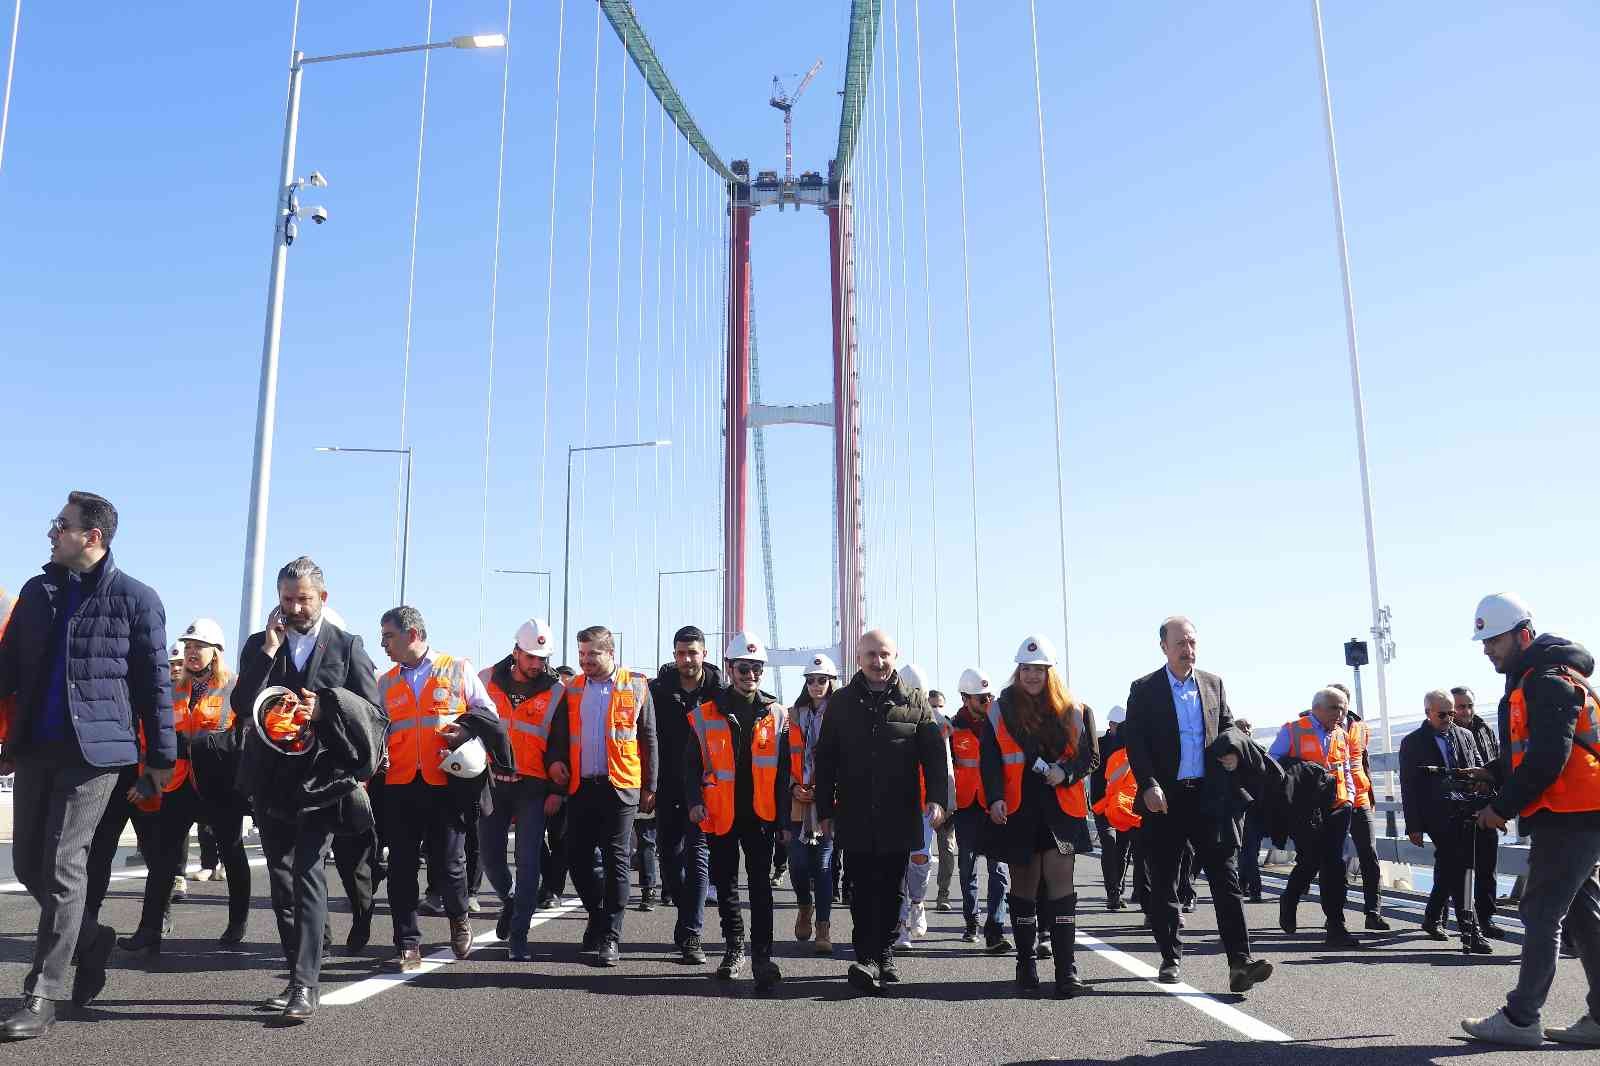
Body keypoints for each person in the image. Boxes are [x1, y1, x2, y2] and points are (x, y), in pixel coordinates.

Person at [0, 491, 175, 1042]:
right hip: (34, 747)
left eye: (62, 524)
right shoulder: (38, 591)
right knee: (28, 863)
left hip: (96, 754)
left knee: (62, 862)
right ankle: (92, 936)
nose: (52, 532)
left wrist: (161, 759)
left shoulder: (135, 599)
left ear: (92, 536)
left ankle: (43, 990)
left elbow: (154, 686)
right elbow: (6, 669)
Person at [231, 556, 386, 1020]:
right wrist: (266, 652)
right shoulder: (261, 644)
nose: (295, 607)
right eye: (287, 599)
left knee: (307, 874)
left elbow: (373, 713)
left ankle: (304, 984)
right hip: (271, 780)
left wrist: (327, 710)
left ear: (323, 597)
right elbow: (241, 704)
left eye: (303, 598)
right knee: (281, 882)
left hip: (323, 779)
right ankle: (298, 971)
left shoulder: (347, 645)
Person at [1462, 594, 1600, 1047]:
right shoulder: (1544, 676)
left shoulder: (1546, 679)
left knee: (1540, 911)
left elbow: (1547, 759)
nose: (1487, 650)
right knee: (1582, 915)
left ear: (1523, 635)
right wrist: (1496, 772)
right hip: (1577, 810)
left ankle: (1521, 1019)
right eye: (1484, 642)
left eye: (1494, 640)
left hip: (1571, 812)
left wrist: (1500, 808)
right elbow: (1540, 748)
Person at [1121, 615, 1271, 993]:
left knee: (1226, 878)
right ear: (1163, 648)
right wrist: (1149, 785)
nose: (1188, 650)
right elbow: (1135, 744)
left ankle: (1240, 962)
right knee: (1165, 882)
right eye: (1180, 644)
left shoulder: (1212, 683)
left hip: (1209, 798)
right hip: (1165, 801)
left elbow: (1228, 726)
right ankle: (1170, 955)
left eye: (1192, 643)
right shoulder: (1143, 689)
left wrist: (1235, 752)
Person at [814, 628, 950, 995]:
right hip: (855, 810)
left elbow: (934, 756)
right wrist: (824, 809)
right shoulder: (841, 703)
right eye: (871, 654)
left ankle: (884, 953)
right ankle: (866, 955)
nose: (878, 662)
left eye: (885, 654)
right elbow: (825, 759)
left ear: (895, 656)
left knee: (891, 887)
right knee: (859, 886)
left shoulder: (915, 701)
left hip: (898, 810)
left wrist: (937, 797)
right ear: (858, 658)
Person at [376, 605, 507, 972]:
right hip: (401, 783)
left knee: (450, 863)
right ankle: (407, 943)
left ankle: (458, 917)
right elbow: (375, 728)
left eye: (388, 636)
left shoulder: (457, 669)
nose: (383, 644)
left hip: (446, 782)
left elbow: (488, 714)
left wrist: (466, 730)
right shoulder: (385, 682)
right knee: (400, 867)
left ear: (413, 635)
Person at [117, 618, 252, 957]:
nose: (191, 653)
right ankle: (151, 927)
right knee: (163, 856)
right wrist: (148, 775)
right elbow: (153, 734)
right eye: (188, 647)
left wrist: (208, 745)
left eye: (198, 647)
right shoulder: (173, 688)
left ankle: (237, 921)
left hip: (220, 785)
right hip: (178, 785)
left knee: (231, 851)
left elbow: (243, 736)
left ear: (215, 652)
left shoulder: (235, 688)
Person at [980, 635, 1098, 997]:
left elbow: (1091, 756)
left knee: (1061, 884)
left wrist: (1067, 772)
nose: (1032, 676)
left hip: (1061, 809)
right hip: (1018, 808)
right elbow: (990, 760)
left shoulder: (1076, 708)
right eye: (1026, 669)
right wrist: (995, 798)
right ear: (1018, 671)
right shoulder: (1000, 709)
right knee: (1025, 886)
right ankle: (1026, 965)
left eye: (1039, 670)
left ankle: (1067, 970)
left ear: (1050, 672)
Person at [544, 624, 657, 966]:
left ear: (611, 653)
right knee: (577, 859)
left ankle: (610, 935)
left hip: (620, 786)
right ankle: (596, 912)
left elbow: (648, 739)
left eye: (593, 653)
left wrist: (651, 786)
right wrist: (555, 764)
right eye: (581, 654)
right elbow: (559, 736)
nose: (586, 661)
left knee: (615, 860)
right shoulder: (573, 688)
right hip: (581, 786)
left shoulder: (635, 685)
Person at [685, 632, 788, 992]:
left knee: (761, 888)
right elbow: (690, 765)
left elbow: (784, 772)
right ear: (730, 669)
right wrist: (694, 802)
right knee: (726, 885)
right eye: (744, 668)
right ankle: (734, 948)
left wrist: (785, 820)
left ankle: (763, 956)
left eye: (757, 668)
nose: (751, 675)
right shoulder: (703, 714)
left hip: (761, 815)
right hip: (720, 812)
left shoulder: (777, 713)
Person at [477, 618, 562, 961]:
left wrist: (559, 788)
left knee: (529, 864)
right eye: (530, 657)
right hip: (492, 783)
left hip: (533, 786)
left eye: (542, 658)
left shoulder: (557, 690)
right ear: (515, 652)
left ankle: (519, 937)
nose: (537, 664)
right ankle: (509, 900)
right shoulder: (484, 680)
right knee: (490, 858)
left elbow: (560, 742)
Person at [646, 625, 721, 964]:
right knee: (671, 860)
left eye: (693, 652)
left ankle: (692, 935)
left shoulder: (720, 691)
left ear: (704, 653)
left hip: (706, 789)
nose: (687, 659)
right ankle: (682, 913)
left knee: (698, 858)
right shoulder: (657, 690)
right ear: (674, 655)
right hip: (667, 786)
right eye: (681, 653)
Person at [1399, 689, 1490, 954]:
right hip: (1436, 814)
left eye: (1453, 712)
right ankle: (1470, 931)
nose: (1450, 718)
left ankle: (1431, 917)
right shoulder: (1413, 742)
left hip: (1466, 809)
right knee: (1459, 868)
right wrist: (1413, 825)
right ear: (1428, 712)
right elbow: (1409, 786)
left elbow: (1480, 766)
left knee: (1451, 866)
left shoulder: (1466, 736)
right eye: (1443, 714)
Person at [1270, 689, 1362, 947]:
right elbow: (1272, 765)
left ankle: (1336, 925)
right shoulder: (1293, 730)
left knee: (1334, 863)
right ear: (1317, 708)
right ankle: (1290, 898)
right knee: (1310, 861)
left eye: (1343, 709)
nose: (1340, 714)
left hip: (1338, 805)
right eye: (1335, 708)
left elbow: (1345, 767)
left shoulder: (1341, 734)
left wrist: (1351, 797)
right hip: (1306, 809)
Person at [949, 668, 1012, 950]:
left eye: (990, 696)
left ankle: (996, 928)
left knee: (998, 869)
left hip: (994, 804)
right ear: (965, 698)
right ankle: (971, 920)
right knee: (967, 867)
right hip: (966, 807)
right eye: (981, 698)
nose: (988, 702)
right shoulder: (951, 729)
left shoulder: (1000, 726)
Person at [782, 653, 838, 954]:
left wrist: (825, 790)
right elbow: (782, 760)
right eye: (811, 680)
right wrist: (793, 786)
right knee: (798, 863)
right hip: (797, 802)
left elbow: (845, 761)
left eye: (822, 680)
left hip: (827, 803)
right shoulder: (791, 715)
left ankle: (823, 928)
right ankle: (805, 905)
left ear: (831, 683)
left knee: (824, 866)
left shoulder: (842, 715)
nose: (816, 685)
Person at [1326, 682, 1389, 931]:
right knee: (1336, 860)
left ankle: (1373, 912)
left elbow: (1364, 762)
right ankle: (1335, 916)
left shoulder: (1361, 727)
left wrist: (1371, 795)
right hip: (1335, 800)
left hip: (1360, 798)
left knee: (1369, 855)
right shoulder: (1320, 727)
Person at [1452, 685, 1505, 937]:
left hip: (1488, 804)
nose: (1467, 711)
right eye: (1461, 706)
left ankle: (1486, 918)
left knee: (1487, 865)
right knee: (1461, 867)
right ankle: (1460, 919)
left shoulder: (1484, 729)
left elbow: (1500, 761)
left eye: (1469, 705)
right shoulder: (1447, 732)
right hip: (1460, 807)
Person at [892, 662, 938, 951]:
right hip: (894, 804)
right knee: (897, 865)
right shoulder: (891, 716)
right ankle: (899, 928)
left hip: (924, 806)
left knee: (919, 861)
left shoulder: (935, 723)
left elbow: (941, 766)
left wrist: (942, 802)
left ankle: (918, 903)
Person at [1092, 704, 1130, 911]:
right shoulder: (1099, 745)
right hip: (1103, 804)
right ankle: (1112, 894)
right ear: (1111, 724)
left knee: (1122, 850)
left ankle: (1118, 888)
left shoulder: (1132, 746)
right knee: (1109, 844)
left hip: (1126, 806)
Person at [929, 689, 959, 913]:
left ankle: (943, 894)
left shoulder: (952, 730)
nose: (935, 710)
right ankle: (912, 902)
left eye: (939, 706)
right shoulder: (916, 727)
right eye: (931, 705)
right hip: (921, 799)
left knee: (947, 849)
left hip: (948, 799)